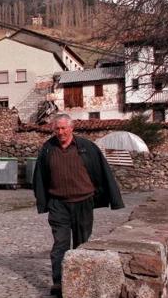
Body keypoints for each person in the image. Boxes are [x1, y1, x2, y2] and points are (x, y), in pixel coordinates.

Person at [33, 113, 124, 297]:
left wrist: (109, 197)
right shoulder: (48, 148)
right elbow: (40, 176)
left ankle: (81, 282)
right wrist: (44, 200)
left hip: (83, 202)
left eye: (64, 128)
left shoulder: (87, 147)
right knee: (60, 245)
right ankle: (59, 283)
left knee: (82, 244)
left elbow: (102, 171)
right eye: (57, 128)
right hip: (58, 204)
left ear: (71, 128)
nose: (60, 132)